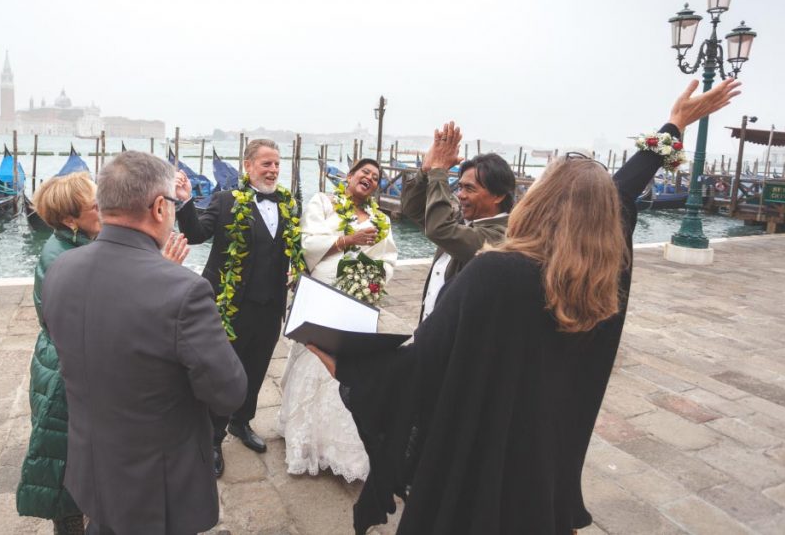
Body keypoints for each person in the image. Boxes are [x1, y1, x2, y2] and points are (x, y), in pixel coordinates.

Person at [309, 77, 742, 534]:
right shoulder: (600, 284)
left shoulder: (497, 273)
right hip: (546, 470)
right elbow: (620, 193)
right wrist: (673, 127)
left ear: (542, 201)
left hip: (481, 472)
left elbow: (414, 369)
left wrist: (347, 364)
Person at [42, 152, 244, 535]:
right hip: (158, 486)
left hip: (93, 467)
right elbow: (229, 391)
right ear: (158, 208)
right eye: (171, 204)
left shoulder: (60, 269)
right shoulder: (184, 291)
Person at [16, 171, 190, 534]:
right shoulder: (60, 259)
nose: (106, 209)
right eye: (96, 206)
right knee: (68, 474)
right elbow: (109, 321)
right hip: (64, 381)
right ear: (69, 220)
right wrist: (164, 276)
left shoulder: (80, 246)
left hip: (73, 369)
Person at [175, 138, 305, 477]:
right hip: (230, 307)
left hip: (270, 306)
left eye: (277, 164)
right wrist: (186, 200)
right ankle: (213, 437)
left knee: (256, 368)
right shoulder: (225, 200)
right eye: (266, 164)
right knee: (224, 373)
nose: (273, 170)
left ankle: (241, 423)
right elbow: (195, 233)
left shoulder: (288, 205)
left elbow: (292, 250)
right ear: (247, 166)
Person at [278, 158, 398, 481]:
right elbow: (308, 242)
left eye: (375, 177)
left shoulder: (380, 219)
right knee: (314, 359)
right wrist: (348, 240)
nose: (369, 179)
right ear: (350, 176)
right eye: (364, 173)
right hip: (322, 293)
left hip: (356, 300)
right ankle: (305, 441)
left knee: (347, 367)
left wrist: (373, 281)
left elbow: (388, 258)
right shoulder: (324, 202)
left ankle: (341, 447)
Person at [401, 123, 515, 321]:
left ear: (498, 196)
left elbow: (440, 229)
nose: (460, 195)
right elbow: (411, 208)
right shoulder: (463, 222)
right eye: (459, 187)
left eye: (469, 189)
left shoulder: (500, 237)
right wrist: (425, 171)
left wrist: (439, 171)